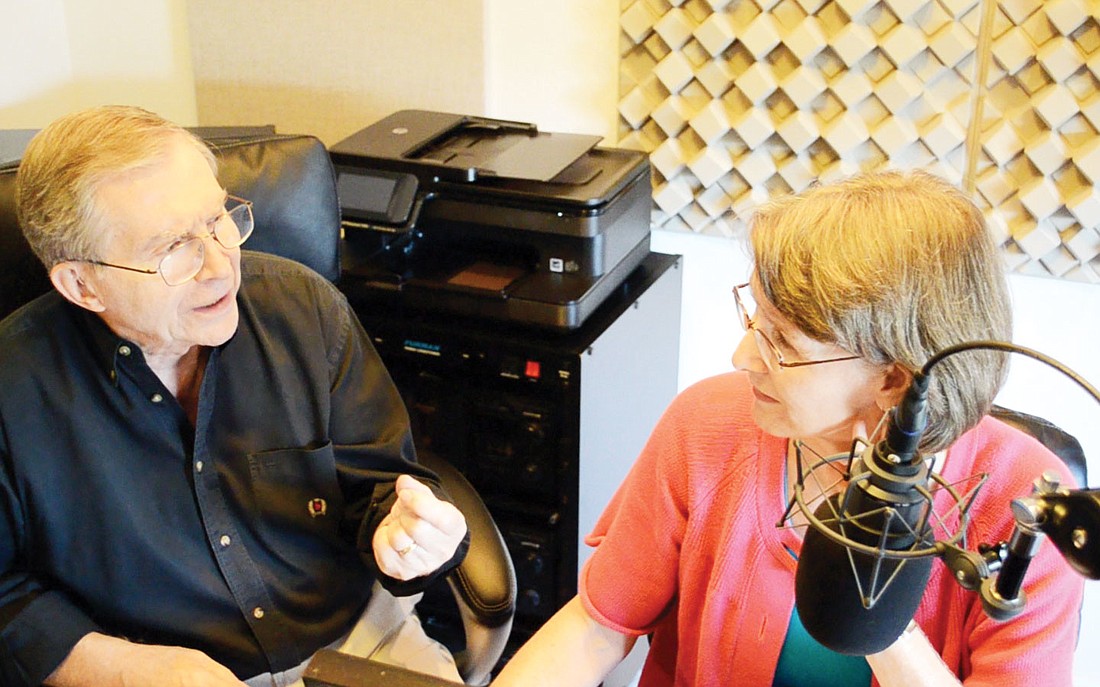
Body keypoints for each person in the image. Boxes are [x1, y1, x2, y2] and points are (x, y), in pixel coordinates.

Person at [491, 170, 1085, 686]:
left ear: (896, 381)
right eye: (756, 319)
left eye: (782, 342)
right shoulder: (707, 426)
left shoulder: (1029, 510)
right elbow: (597, 627)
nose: (742, 355)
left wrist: (871, 606)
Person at [0, 105, 470, 687]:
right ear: (81, 282)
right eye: (173, 248)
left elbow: (378, 485)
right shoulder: (12, 389)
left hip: (357, 645)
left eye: (218, 217)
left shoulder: (305, 310)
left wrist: (407, 536)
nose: (222, 266)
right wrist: (122, 669)